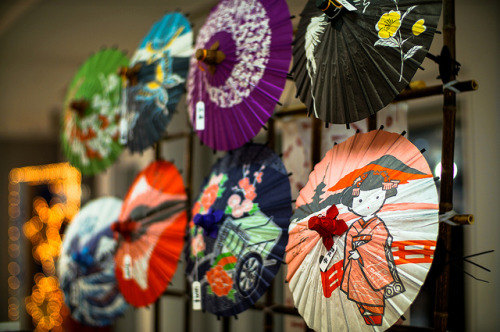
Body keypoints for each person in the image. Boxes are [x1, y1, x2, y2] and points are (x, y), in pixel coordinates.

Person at [339, 170, 405, 326]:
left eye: (376, 197)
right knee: (358, 305)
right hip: (356, 269)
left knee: (373, 300)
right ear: (352, 205)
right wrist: (352, 254)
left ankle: (373, 320)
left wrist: (360, 252)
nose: (368, 204)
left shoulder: (379, 225)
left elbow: (380, 241)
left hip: (372, 268)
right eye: (360, 200)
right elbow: (348, 243)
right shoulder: (354, 226)